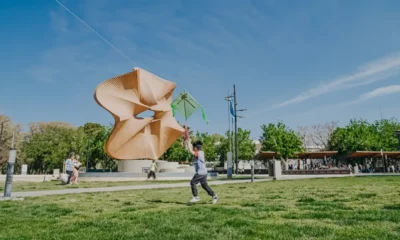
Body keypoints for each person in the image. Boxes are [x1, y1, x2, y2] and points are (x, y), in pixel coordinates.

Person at [185, 138, 218, 204]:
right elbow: (191, 149)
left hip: (200, 172)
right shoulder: (200, 152)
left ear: (196, 148)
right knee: (204, 185)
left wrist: (188, 144)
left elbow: (191, 151)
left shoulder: (199, 153)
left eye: (194, 147)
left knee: (193, 182)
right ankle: (214, 196)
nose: (193, 148)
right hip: (204, 172)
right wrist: (188, 142)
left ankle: (196, 197)